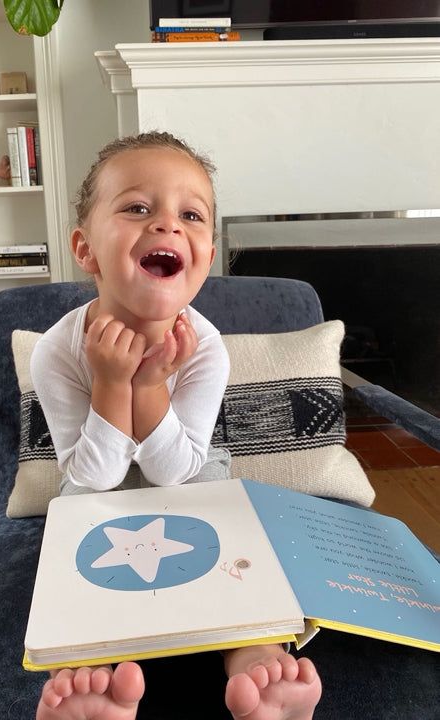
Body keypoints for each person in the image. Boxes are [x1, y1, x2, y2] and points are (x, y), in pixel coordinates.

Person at [30, 131, 322, 720]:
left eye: (191, 215)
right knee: (79, 544)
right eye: (138, 207)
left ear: (206, 259)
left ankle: (254, 655)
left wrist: (148, 386)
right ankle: (90, 674)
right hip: (97, 483)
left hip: (189, 471)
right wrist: (112, 381)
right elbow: (92, 476)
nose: (167, 224)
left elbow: (176, 472)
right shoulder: (57, 350)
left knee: (232, 540)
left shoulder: (206, 346)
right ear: (86, 249)